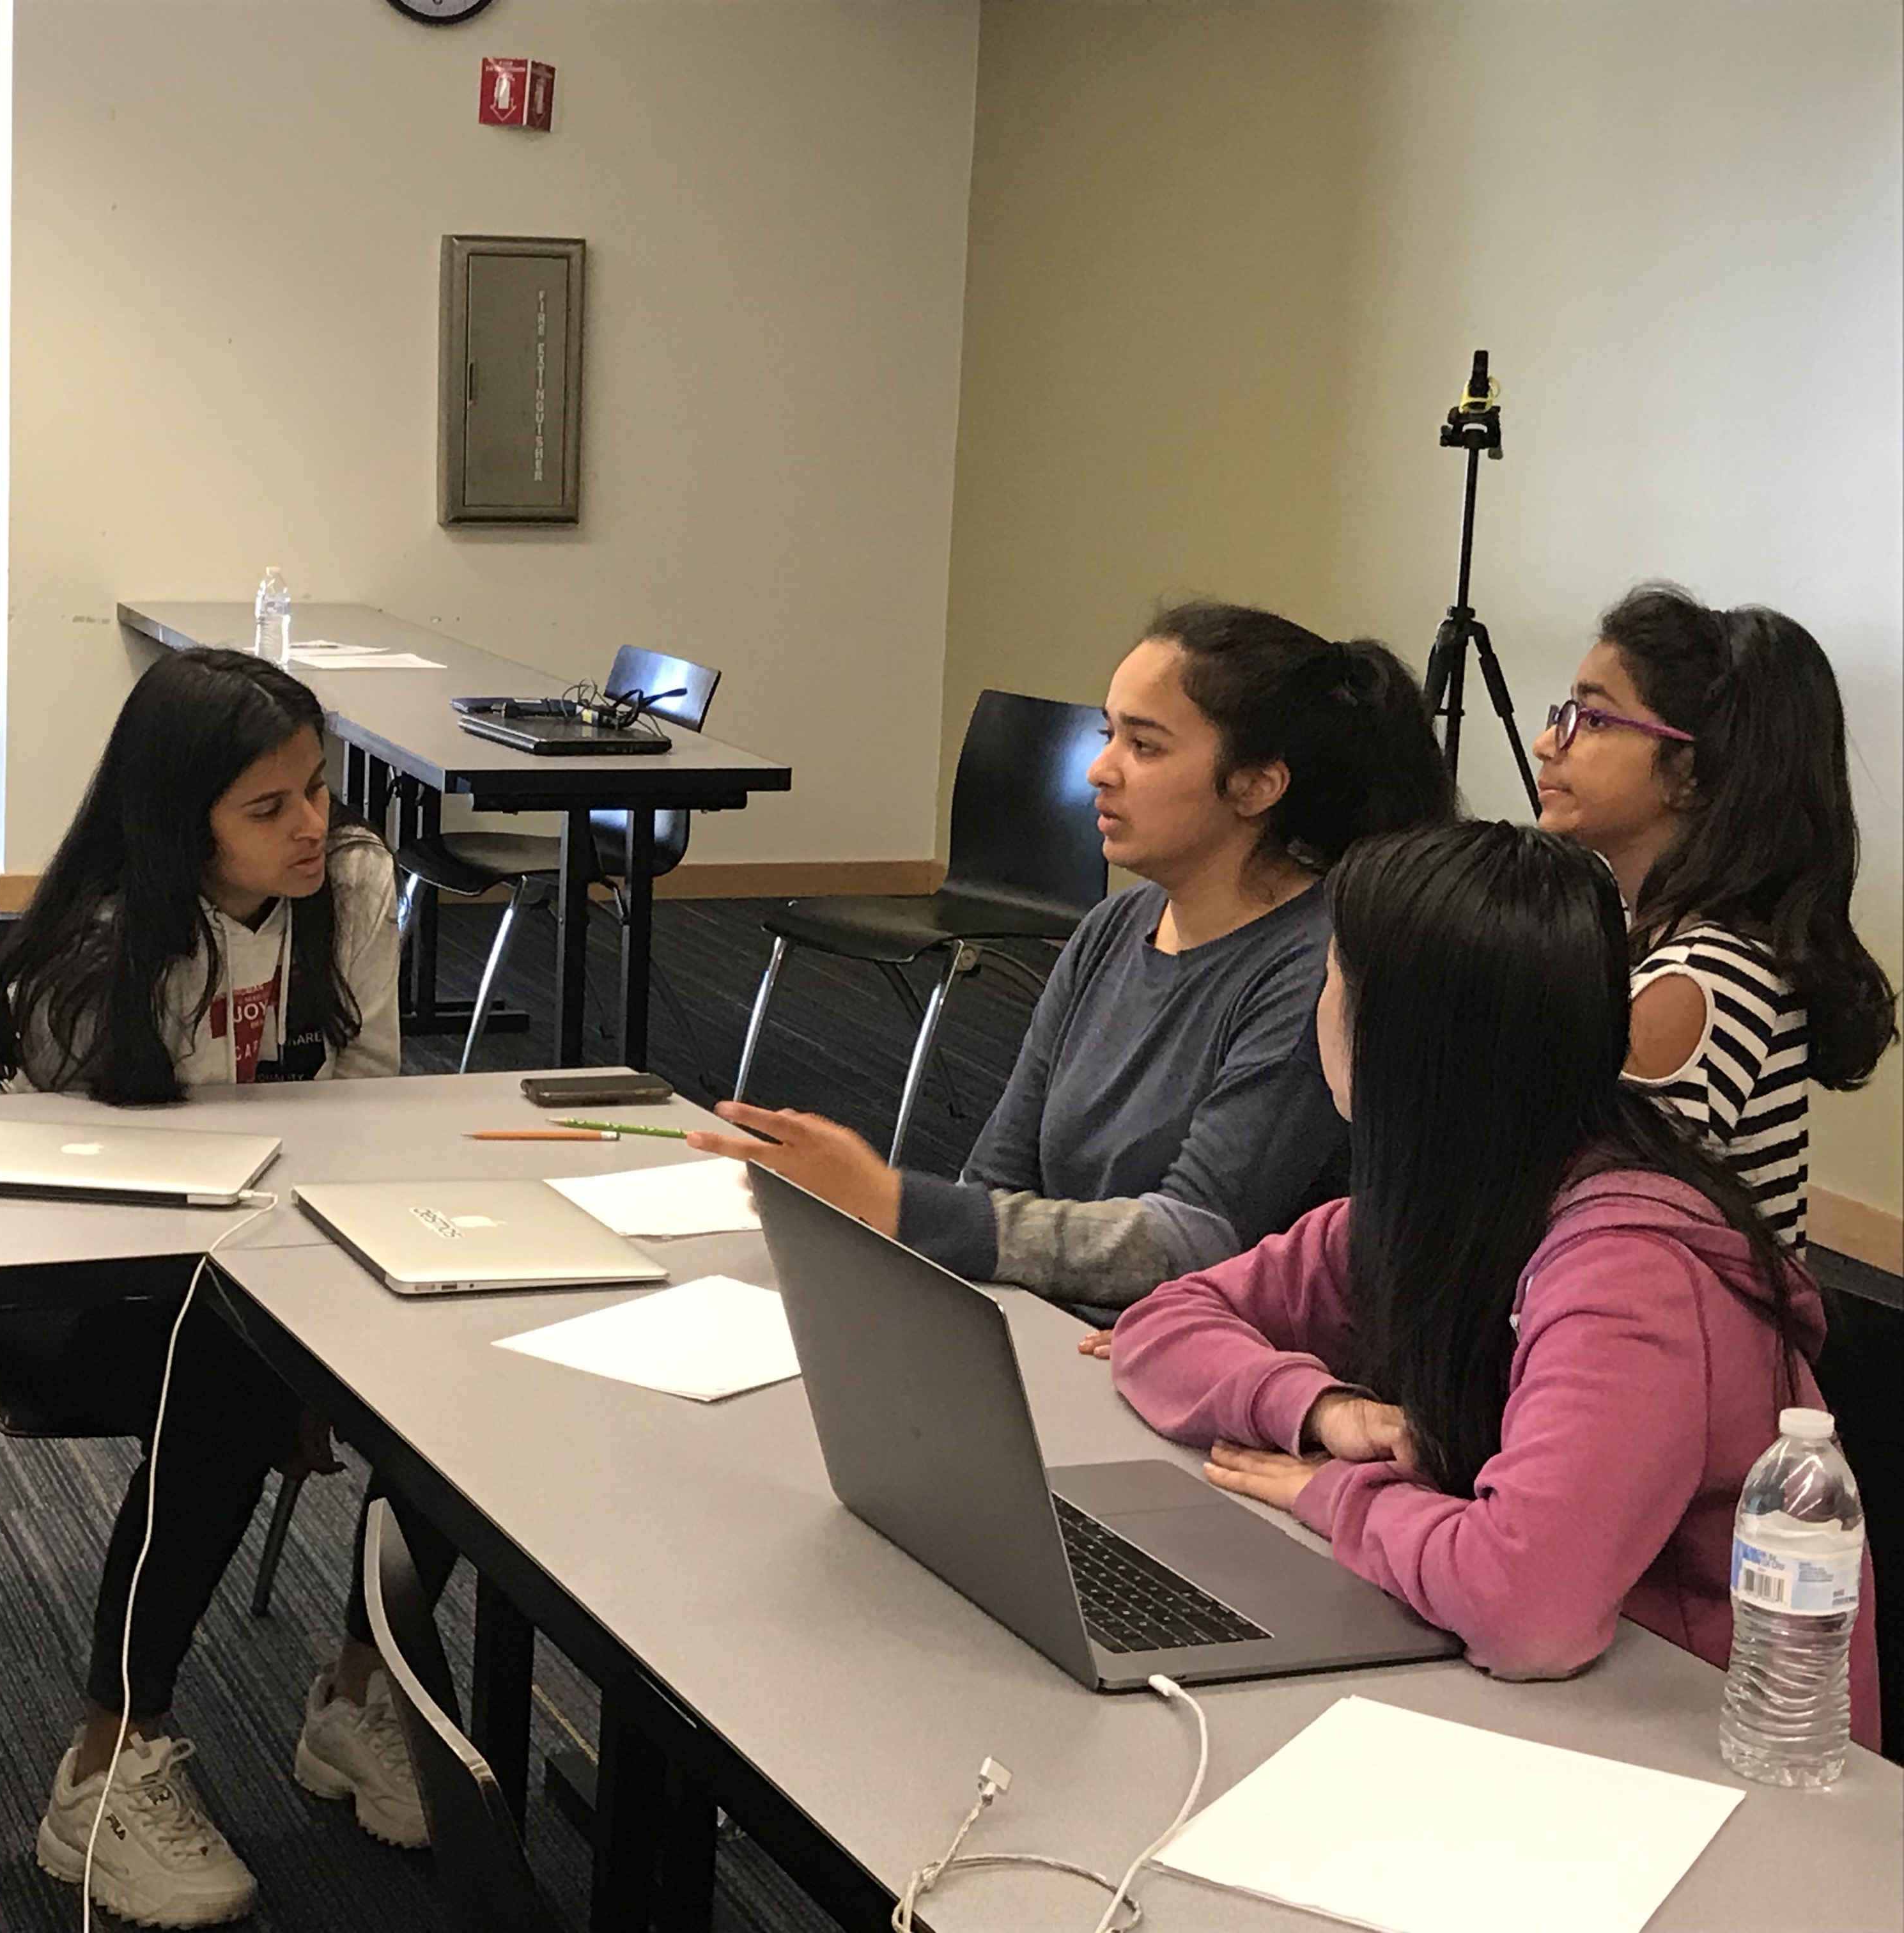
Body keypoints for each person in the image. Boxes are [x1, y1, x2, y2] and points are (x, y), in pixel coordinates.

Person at [1105, 821, 1879, 1739]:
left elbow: (1527, 1608)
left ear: (1405, 1038)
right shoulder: (1457, 1193)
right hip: (1543, 1709)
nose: (1318, 1005)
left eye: (1332, 977)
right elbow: (1162, 1324)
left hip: (1702, 1750)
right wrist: (1318, 1410)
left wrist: (1331, 1494)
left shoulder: (1630, 1272)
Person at [0, 646, 440, 1929]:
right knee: (226, 1371)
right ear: (184, 820)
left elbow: (365, 1101)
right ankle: (105, 1764)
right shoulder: (103, 943)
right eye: (268, 806)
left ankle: (362, 1691)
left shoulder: (351, 886)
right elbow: (68, 1193)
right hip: (79, 1276)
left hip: (270, 1249)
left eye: (317, 788)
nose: (313, 825)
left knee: (449, 1360)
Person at [692, 602, 1453, 1313]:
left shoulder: (1316, 968)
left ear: (1256, 785)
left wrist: (897, 1205)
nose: (1100, 770)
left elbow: (1195, 1239)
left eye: (1145, 746)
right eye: (1108, 734)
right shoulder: (1115, 926)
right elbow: (997, 1175)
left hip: (1183, 1350)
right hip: (1055, 1322)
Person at [1532, 586, 1897, 1248]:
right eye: (1565, 714)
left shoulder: (1697, 983)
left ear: (1690, 772)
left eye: (1595, 719)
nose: (1546, 743)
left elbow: (1585, 1233)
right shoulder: (1672, 941)